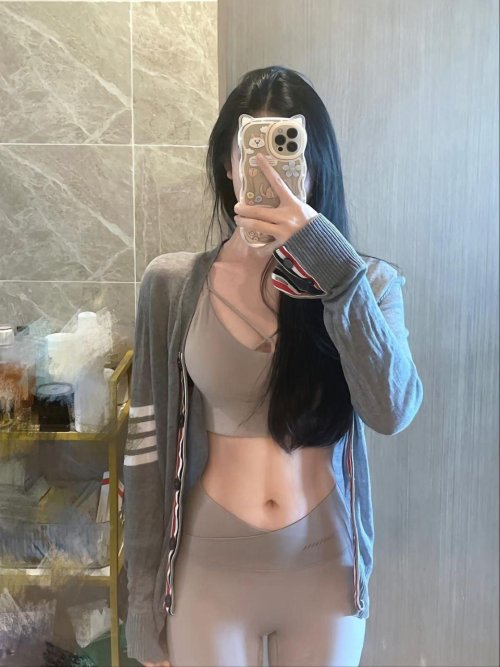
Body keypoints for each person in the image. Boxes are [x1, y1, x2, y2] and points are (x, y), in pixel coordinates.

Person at [123, 65, 424, 667]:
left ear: (315, 167)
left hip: (325, 571)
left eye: (286, 152)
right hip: (207, 571)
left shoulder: (366, 284)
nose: (266, 170)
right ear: (227, 164)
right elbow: (147, 458)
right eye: (249, 152)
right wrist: (143, 612)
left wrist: (333, 270)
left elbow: (393, 410)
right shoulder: (173, 286)